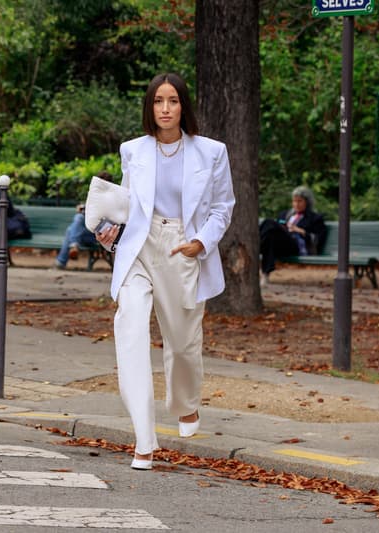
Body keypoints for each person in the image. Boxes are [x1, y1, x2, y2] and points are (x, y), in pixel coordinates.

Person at [95, 73, 235, 470]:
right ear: (150, 106)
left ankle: (185, 405)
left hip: (183, 247)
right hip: (140, 246)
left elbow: (223, 206)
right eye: (158, 101)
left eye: (172, 101)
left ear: (182, 106)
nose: (165, 109)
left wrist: (202, 242)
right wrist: (110, 230)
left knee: (183, 343)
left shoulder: (211, 152)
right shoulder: (133, 150)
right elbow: (127, 204)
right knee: (131, 327)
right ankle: (144, 439)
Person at [259, 185, 327, 286]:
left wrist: (300, 231)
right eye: (294, 201)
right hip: (280, 242)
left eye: (300, 201)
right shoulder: (285, 214)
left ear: (307, 202)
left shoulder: (315, 218)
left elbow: (318, 239)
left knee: (269, 222)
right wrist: (284, 228)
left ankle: (256, 246)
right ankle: (265, 274)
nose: (296, 204)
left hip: (296, 245)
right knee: (269, 235)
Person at [53, 170, 114, 269]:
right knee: (74, 225)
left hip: (102, 237)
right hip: (90, 233)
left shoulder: (112, 198)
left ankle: (63, 259)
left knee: (74, 225)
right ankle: (73, 246)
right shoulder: (95, 195)